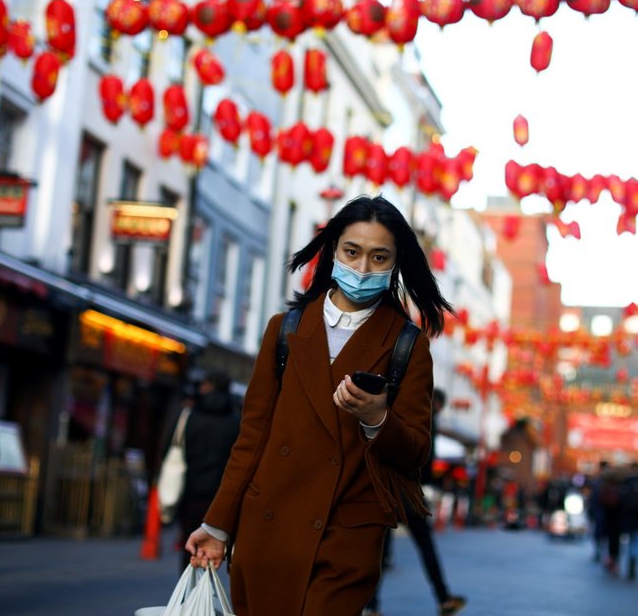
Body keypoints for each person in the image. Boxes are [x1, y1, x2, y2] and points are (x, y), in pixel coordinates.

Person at [185, 195, 453, 615]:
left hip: (345, 539)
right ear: (333, 251)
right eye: (352, 252)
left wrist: (376, 418)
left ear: (396, 263)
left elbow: (417, 451)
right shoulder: (285, 329)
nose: (363, 269)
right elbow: (252, 436)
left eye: (379, 257)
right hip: (268, 530)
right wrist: (217, 523)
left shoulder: (407, 345)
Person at [363, 388, 467, 616]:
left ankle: (372, 606)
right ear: (438, 403)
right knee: (425, 545)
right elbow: (424, 456)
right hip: (408, 489)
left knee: (381, 550)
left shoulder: (403, 408)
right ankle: (443, 598)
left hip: (388, 487)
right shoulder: (426, 417)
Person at [177, 369, 240, 569]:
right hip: (219, 490)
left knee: (190, 542)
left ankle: (187, 592)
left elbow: (181, 449)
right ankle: (206, 590)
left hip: (192, 486)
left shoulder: (192, 416)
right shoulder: (235, 420)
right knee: (214, 544)